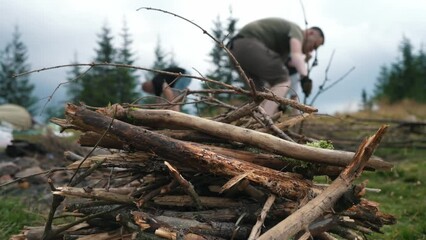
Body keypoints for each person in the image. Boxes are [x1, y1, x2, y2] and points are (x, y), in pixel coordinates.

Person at [227, 17, 325, 116]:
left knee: (261, 94)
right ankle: (264, 120)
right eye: (315, 45)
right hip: (247, 44)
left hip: (234, 50)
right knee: (283, 80)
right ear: (310, 33)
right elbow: (296, 56)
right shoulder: (297, 31)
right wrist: (305, 78)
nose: (313, 50)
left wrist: (280, 103)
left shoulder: (283, 48)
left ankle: (254, 123)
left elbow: (288, 66)